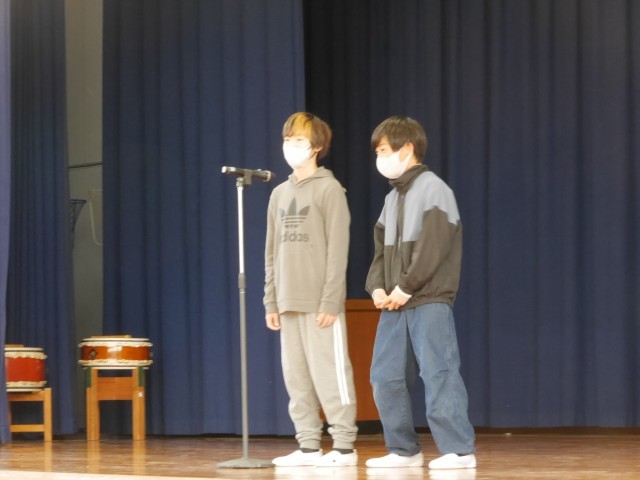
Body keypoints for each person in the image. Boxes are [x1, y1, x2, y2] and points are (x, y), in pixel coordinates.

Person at [364, 116, 476, 470]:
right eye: (378, 152)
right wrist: (377, 287)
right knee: (385, 377)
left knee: (439, 371)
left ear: (407, 148)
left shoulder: (435, 189)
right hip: (394, 305)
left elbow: (433, 248)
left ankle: (459, 451)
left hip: (428, 299)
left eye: (384, 150)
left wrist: (405, 286)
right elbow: (380, 251)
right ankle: (403, 451)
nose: (380, 157)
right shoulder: (391, 198)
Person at [263, 112, 358, 467]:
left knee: (331, 374)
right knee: (297, 378)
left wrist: (331, 300)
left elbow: (338, 250)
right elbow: (271, 252)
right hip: (288, 301)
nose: (291, 146)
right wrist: (271, 300)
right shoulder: (279, 194)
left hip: (320, 302)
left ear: (316, 147)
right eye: (288, 140)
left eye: (299, 140)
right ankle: (308, 445)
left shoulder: (330, 190)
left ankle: (344, 446)